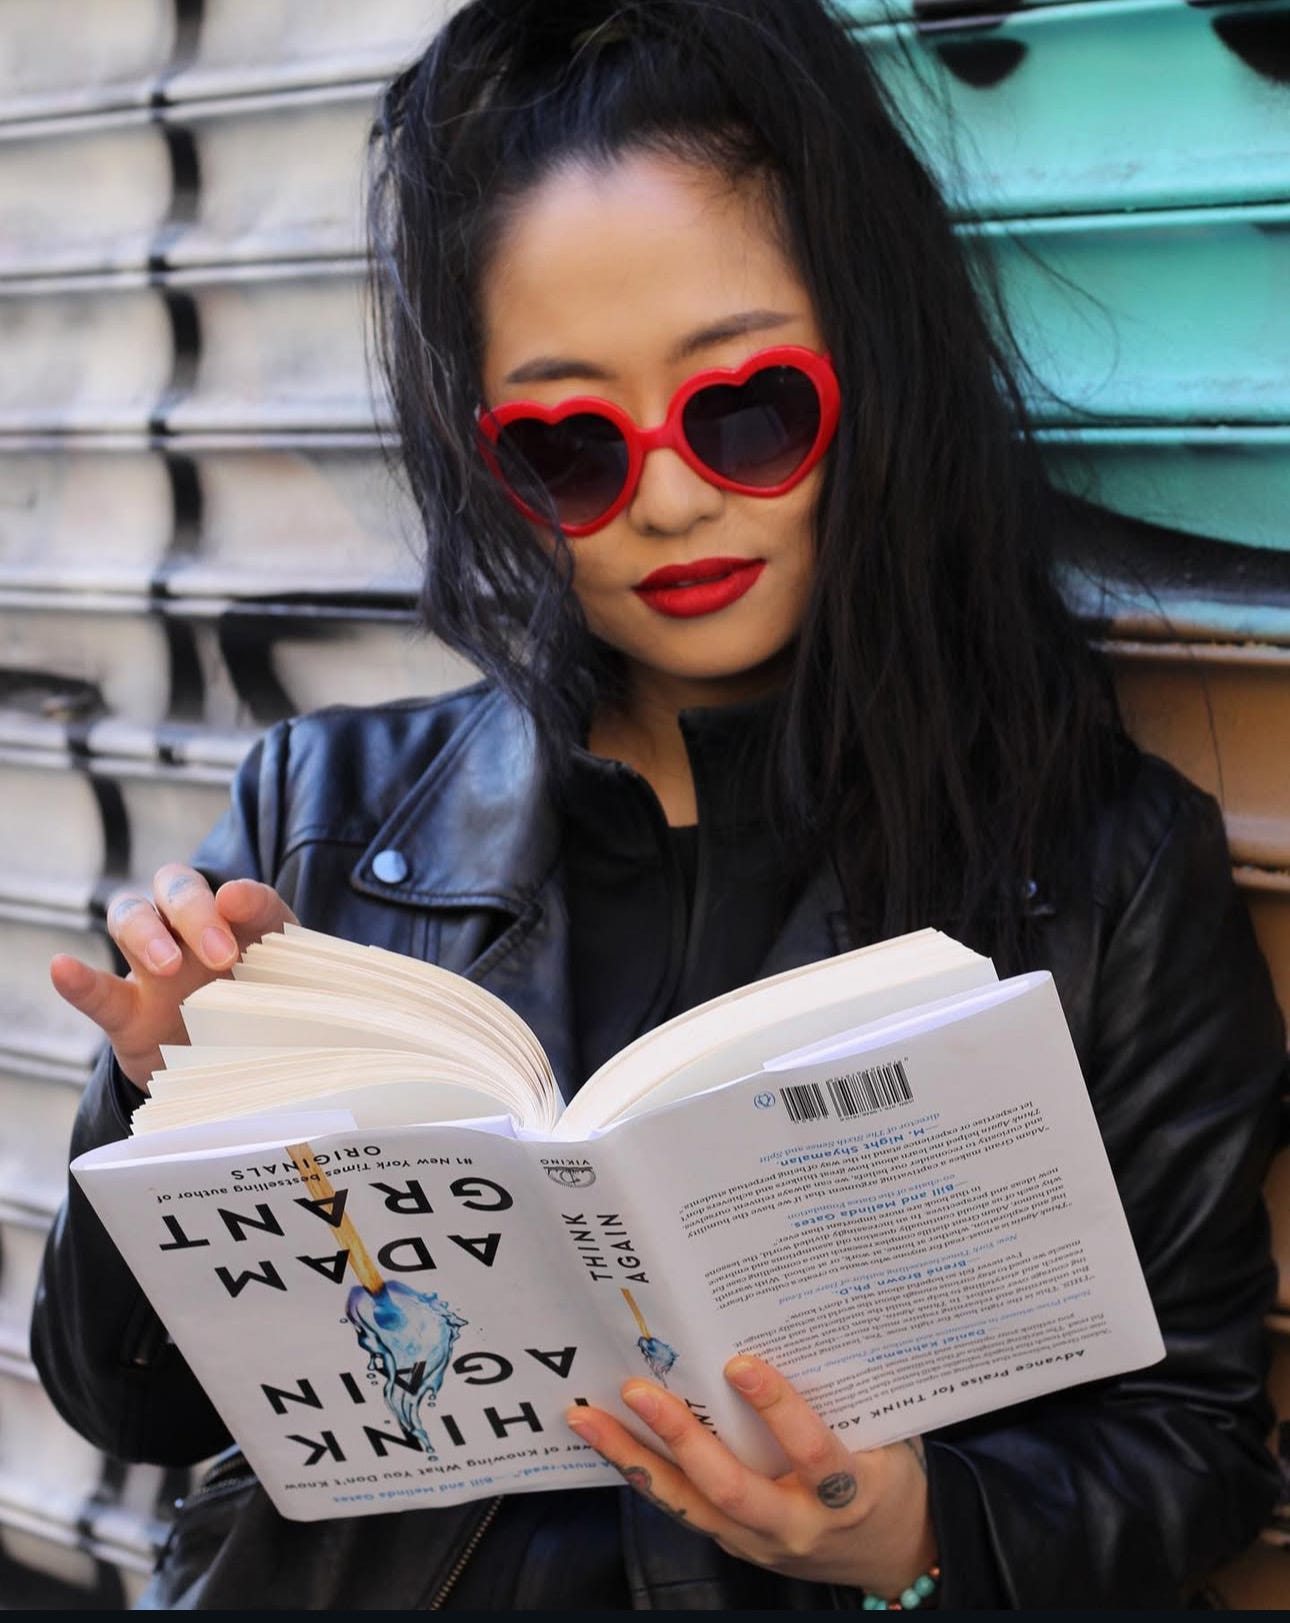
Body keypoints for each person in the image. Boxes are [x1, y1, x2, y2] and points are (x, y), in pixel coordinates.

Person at [30, 0, 1286, 1610]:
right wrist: (164, 1096)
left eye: (745, 407)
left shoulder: (1103, 865)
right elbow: (128, 1406)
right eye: (568, 446)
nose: (674, 500)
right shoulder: (320, 816)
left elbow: (1189, 1447)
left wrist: (910, 1534)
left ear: (872, 370)